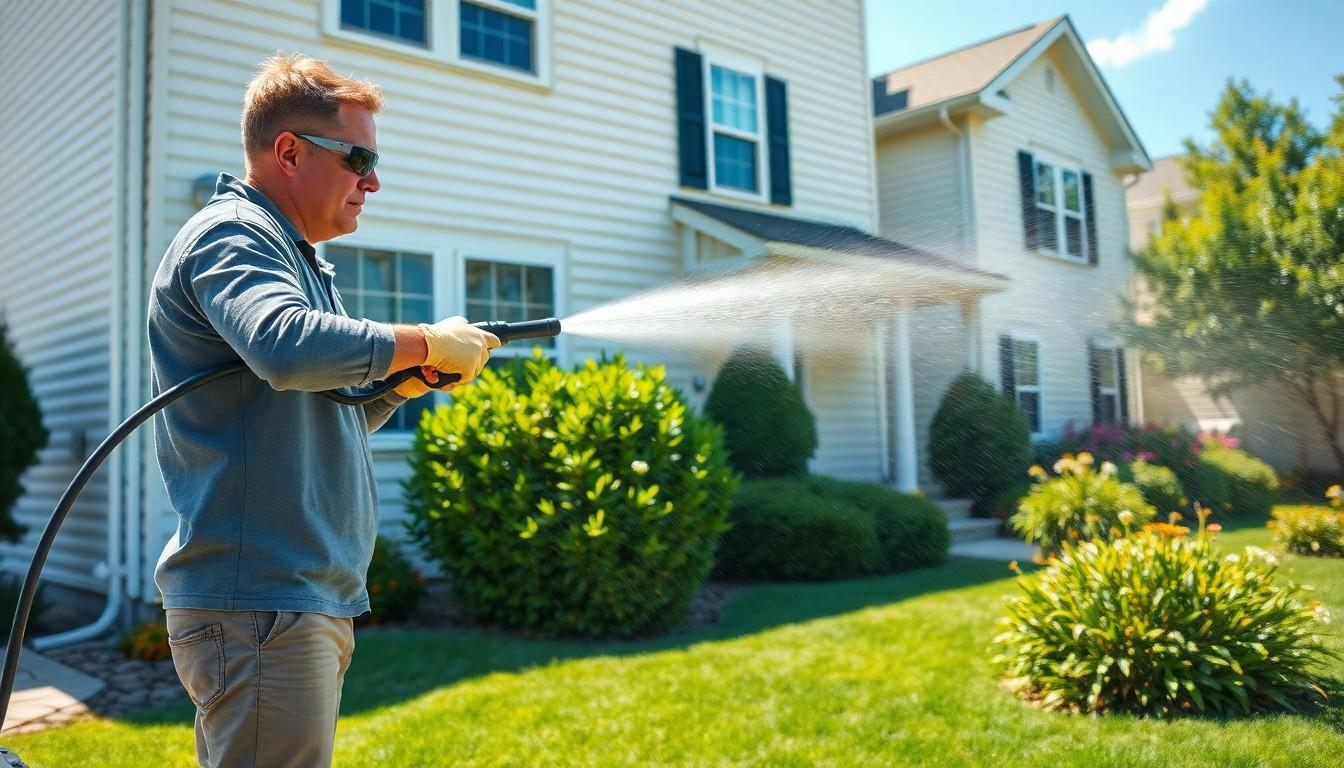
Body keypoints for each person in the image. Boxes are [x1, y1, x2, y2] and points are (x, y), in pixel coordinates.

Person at [146, 53, 498, 767]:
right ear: (288, 152)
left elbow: (321, 408)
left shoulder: (294, 256)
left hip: (292, 598)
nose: (372, 180)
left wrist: (406, 381)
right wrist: (422, 338)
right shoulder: (231, 235)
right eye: (357, 157)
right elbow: (284, 347)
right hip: (261, 605)